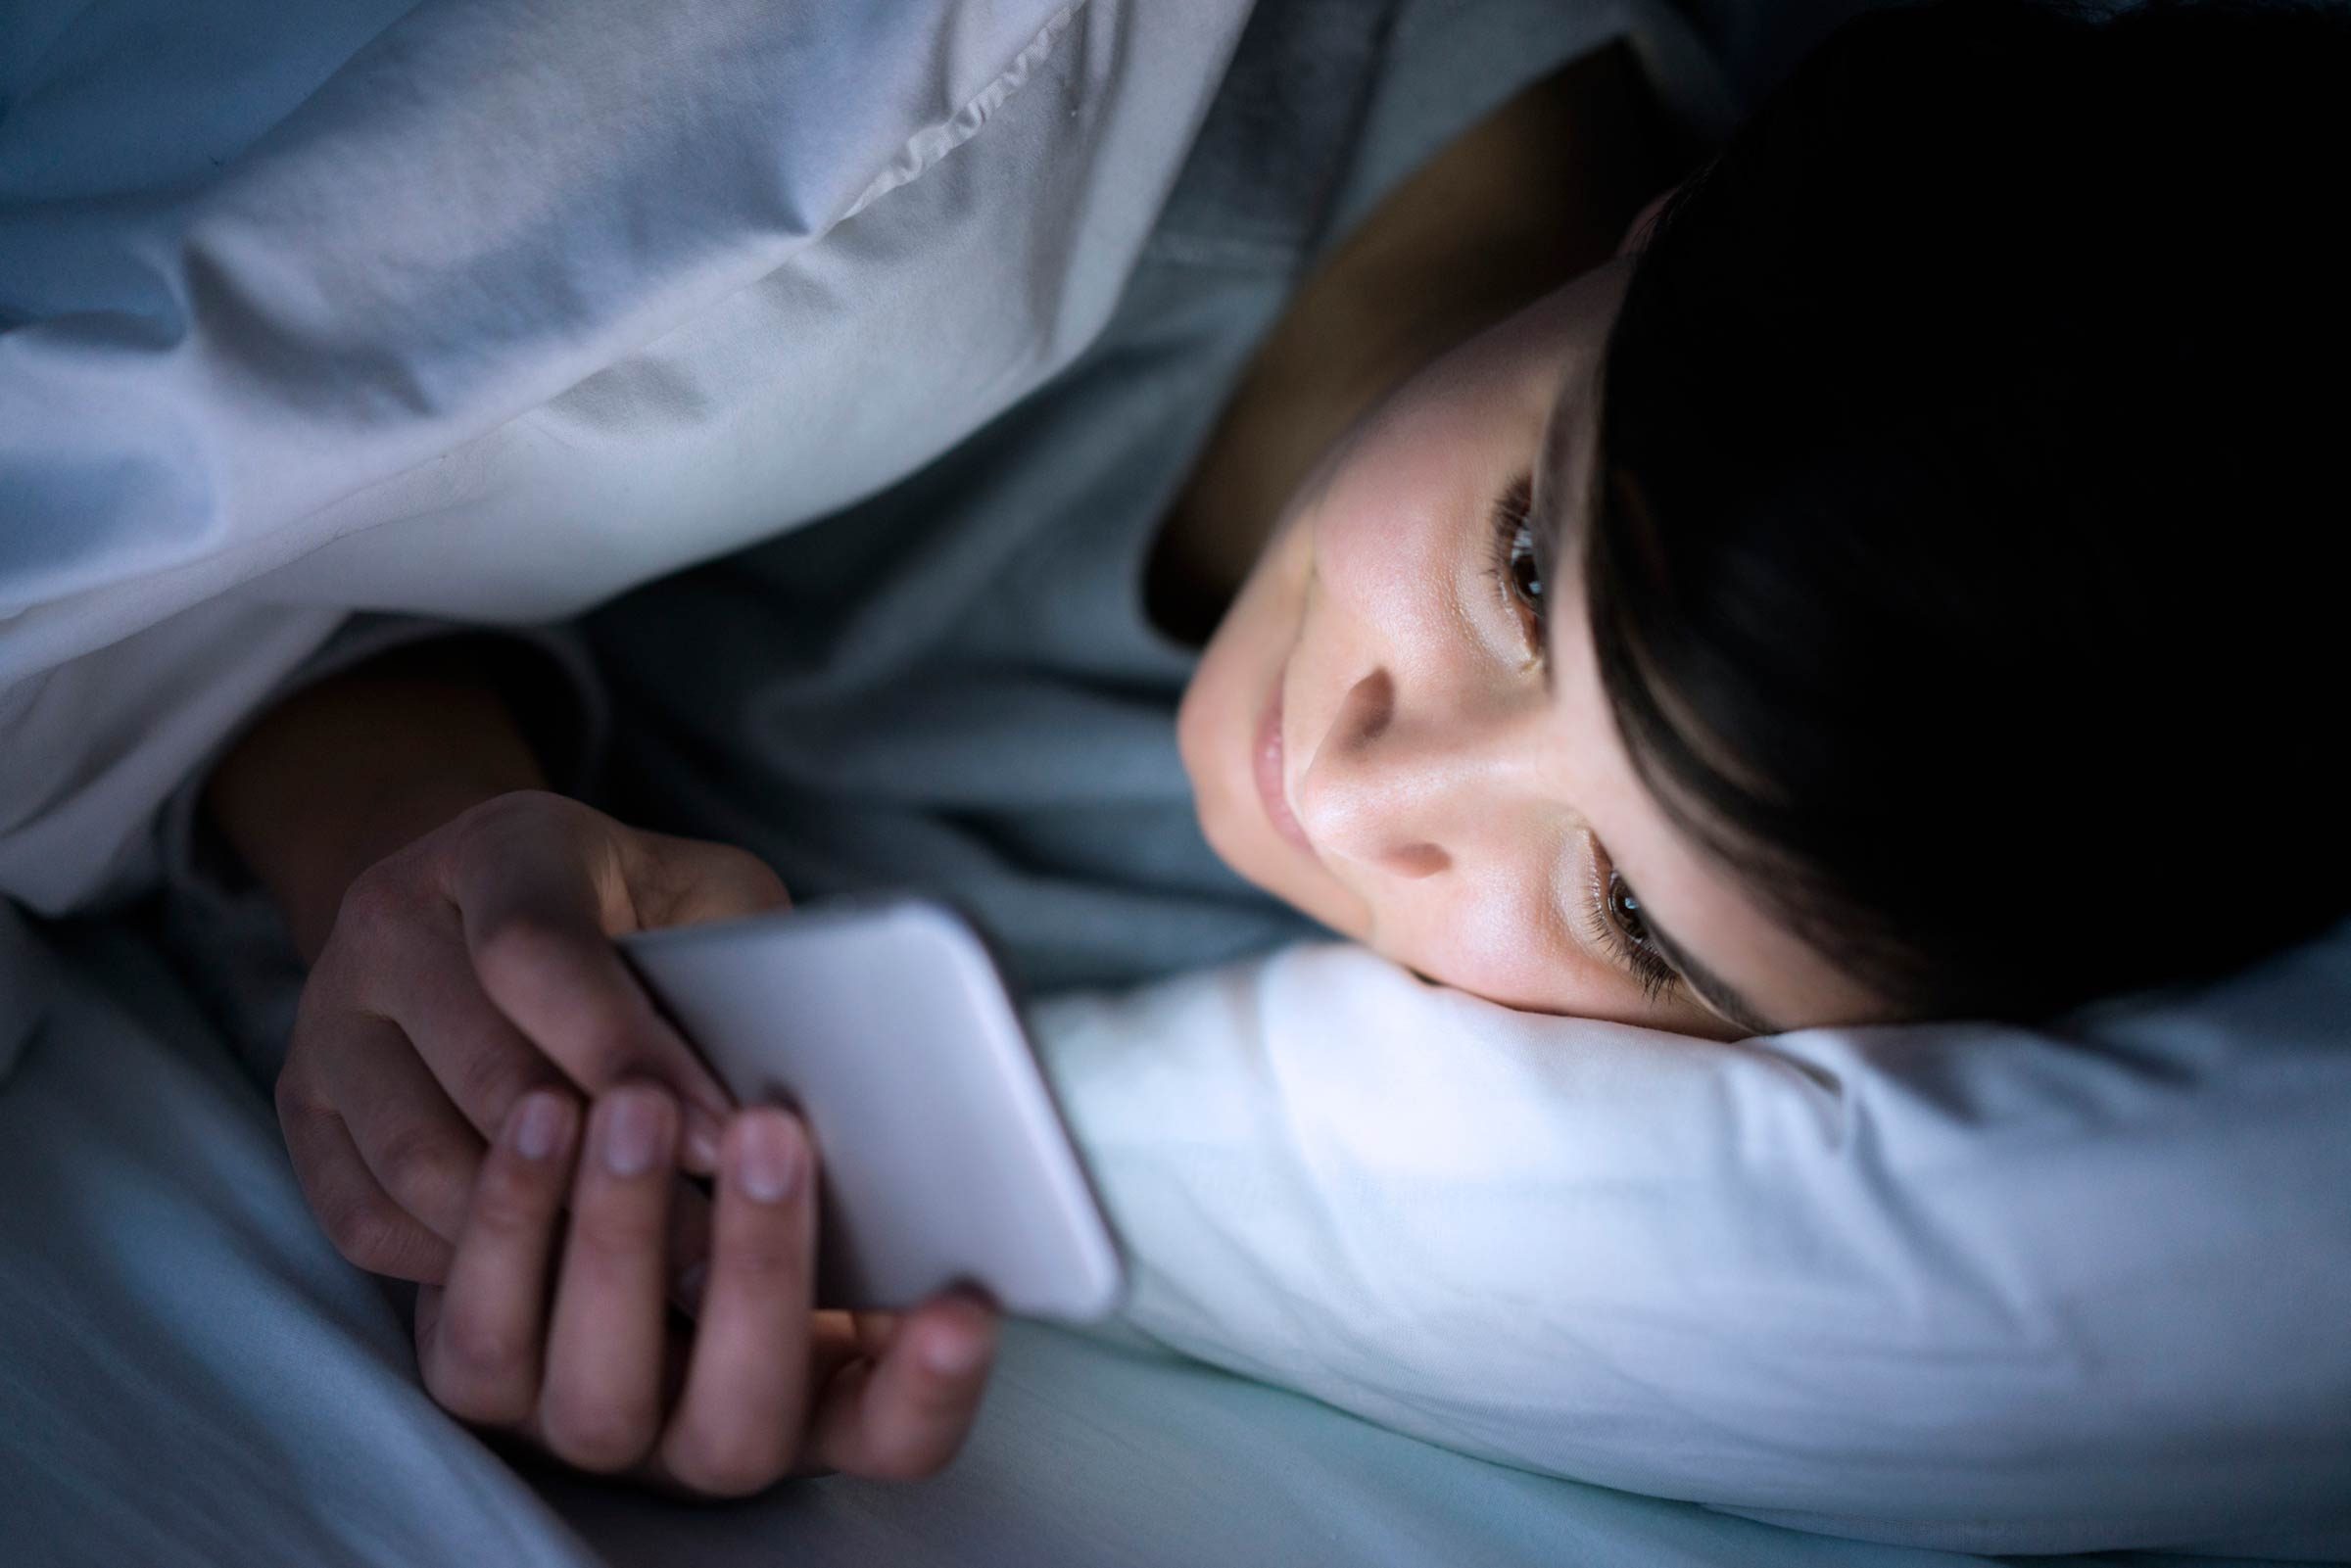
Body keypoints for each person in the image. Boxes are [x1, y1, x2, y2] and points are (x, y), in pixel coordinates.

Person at [184, 0, 2350, 1514]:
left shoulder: (1437, 1053)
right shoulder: (1128, 97)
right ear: (1666, 233)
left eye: (1623, 911)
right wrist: (397, 818)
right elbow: (218, 512)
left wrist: (433, 870)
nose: (1384, 790)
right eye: (1524, 557)